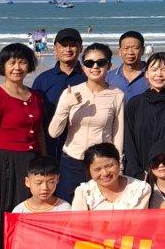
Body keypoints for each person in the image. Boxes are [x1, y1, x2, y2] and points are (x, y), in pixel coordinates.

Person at [0, 43, 46, 249]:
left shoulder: (35, 96)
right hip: (4, 162)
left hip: (31, 161)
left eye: (22, 62)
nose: (17, 67)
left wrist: (45, 162)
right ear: (3, 66)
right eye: (12, 62)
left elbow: (40, 132)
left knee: (27, 213)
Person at [48, 43, 125, 200]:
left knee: (100, 205)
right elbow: (54, 132)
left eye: (101, 62)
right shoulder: (71, 92)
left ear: (109, 66)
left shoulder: (117, 95)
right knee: (70, 206)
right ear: (83, 67)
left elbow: (118, 133)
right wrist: (66, 105)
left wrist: (118, 163)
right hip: (72, 160)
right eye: (89, 63)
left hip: (101, 163)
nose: (95, 67)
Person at [122, 53, 165, 179]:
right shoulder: (135, 103)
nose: (159, 74)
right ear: (146, 73)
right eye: (154, 70)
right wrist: (138, 173)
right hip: (138, 175)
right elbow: (129, 141)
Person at [31, 28, 85, 164]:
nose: (68, 49)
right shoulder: (43, 80)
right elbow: (35, 118)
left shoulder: (89, 77)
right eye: (63, 46)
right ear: (55, 49)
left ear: (80, 49)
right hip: (49, 147)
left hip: (81, 150)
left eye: (73, 45)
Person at [71, 143, 161, 210]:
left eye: (109, 166)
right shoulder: (83, 193)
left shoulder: (140, 190)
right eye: (97, 169)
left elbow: (138, 226)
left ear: (119, 162)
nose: (105, 173)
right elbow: (78, 226)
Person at [105, 31, 149, 102]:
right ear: (120, 51)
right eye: (126, 48)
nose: (130, 52)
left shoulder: (153, 76)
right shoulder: (108, 78)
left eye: (135, 48)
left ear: (142, 50)